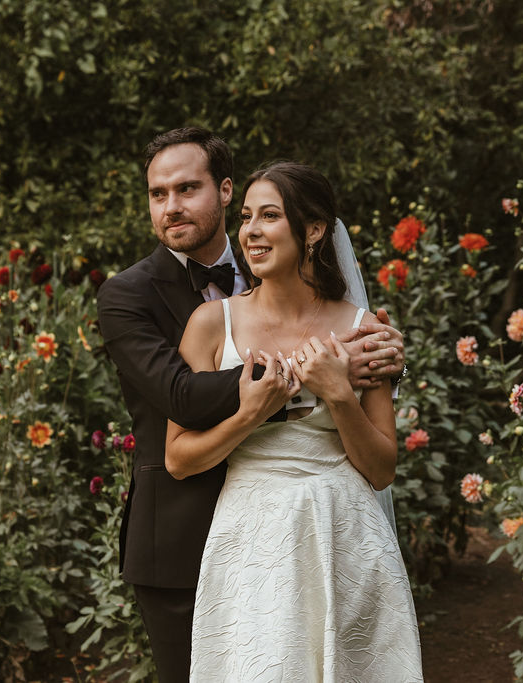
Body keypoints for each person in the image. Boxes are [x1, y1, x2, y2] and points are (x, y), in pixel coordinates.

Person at [95, 128, 406, 681]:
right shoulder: (128, 295)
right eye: (157, 194)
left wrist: (374, 362)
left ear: (223, 191)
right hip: (191, 537)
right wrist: (316, 380)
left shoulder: (324, 306)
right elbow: (181, 397)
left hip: (333, 528)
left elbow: (381, 460)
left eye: (187, 189)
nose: (172, 207)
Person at [165, 161, 423, 681]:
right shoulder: (213, 325)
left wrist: (339, 395)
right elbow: (178, 458)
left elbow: (382, 469)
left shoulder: (361, 330)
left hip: (344, 530)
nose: (252, 232)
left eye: (270, 216)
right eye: (246, 217)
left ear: (313, 230)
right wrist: (249, 416)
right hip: (250, 530)